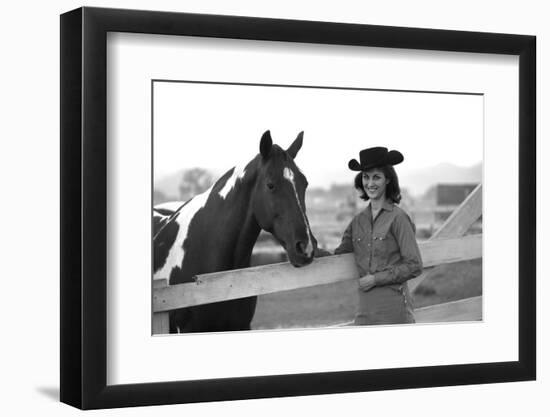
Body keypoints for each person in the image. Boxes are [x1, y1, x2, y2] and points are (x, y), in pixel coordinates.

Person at [334, 146, 423, 325]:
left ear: (388, 179)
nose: (370, 183)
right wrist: (307, 250)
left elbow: (414, 265)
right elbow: (339, 254)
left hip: (394, 309)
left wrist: (376, 279)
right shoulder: (358, 221)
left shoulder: (398, 218)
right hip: (364, 311)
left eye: (377, 177)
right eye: (366, 177)